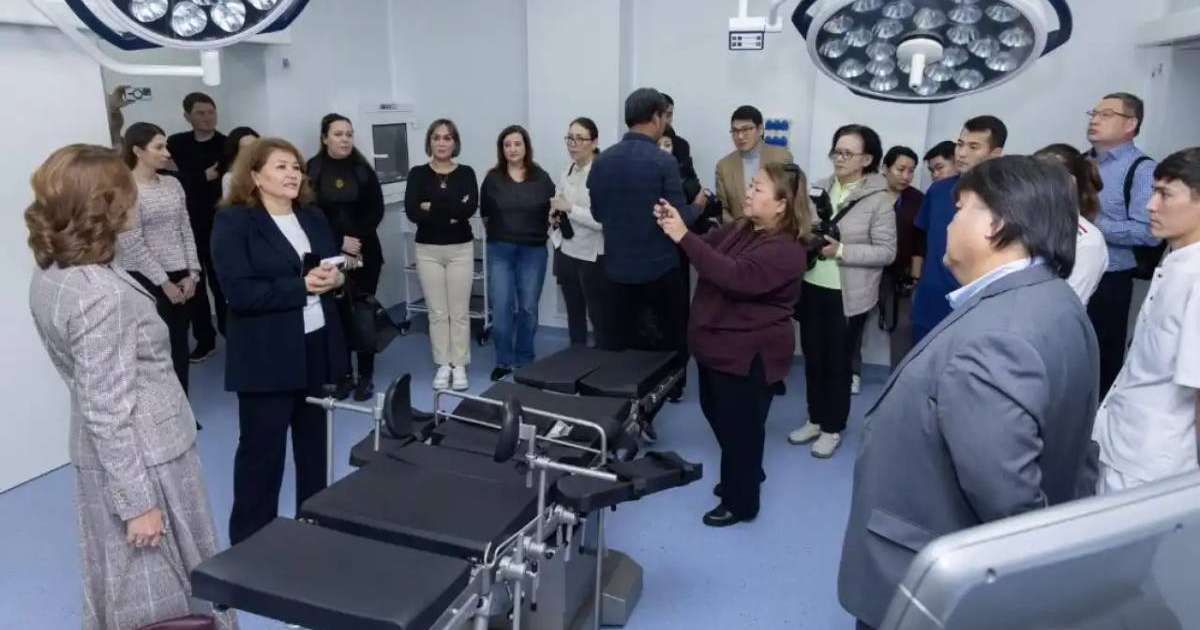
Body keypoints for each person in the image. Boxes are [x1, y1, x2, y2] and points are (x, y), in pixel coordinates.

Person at [838, 156, 1100, 630]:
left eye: (960, 209)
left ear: (996, 224)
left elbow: (1008, 498)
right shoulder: (1055, 301)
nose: (948, 223)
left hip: (934, 583)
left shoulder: (996, 336)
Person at [26, 144, 236, 630]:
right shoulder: (101, 295)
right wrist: (138, 504)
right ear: (106, 204)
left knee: (128, 588)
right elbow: (106, 407)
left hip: (113, 455)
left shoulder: (57, 274)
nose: (136, 202)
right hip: (146, 459)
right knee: (161, 596)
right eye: (127, 193)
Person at [211, 137, 348, 544]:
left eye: (296, 167)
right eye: (281, 167)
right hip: (266, 354)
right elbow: (240, 293)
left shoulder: (312, 216)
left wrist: (337, 280)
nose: (292, 174)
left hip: (316, 346)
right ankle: (253, 546)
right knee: (261, 454)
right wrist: (302, 287)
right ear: (254, 176)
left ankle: (314, 528)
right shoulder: (234, 222)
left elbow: (331, 267)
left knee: (315, 448)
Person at [656, 162, 808, 527]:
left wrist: (682, 236)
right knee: (718, 415)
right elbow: (707, 249)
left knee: (742, 429)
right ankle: (747, 470)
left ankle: (742, 502)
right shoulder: (744, 226)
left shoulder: (787, 249)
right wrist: (678, 224)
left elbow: (735, 276)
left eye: (757, 188)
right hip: (717, 349)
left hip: (748, 355)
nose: (748, 193)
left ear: (782, 204)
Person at [587, 88, 699, 436]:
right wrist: (702, 206)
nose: (667, 123)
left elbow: (598, 212)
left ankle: (615, 416)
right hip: (658, 271)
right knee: (664, 348)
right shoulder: (663, 161)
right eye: (666, 116)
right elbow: (678, 219)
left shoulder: (602, 160)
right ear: (655, 117)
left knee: (619, 349)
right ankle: (647, 413)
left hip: (616, 270)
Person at [1093, 147, 1200, 493]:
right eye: (1153, 191)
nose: (1150, 206)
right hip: (1125, 442)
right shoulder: (1176, 260)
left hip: (1155, 464)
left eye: (1165, 194)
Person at [787, 124, 896, 459]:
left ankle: (833, 427)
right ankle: (816, 418)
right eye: (837, 150)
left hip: (848, 296)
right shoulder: (818, 187)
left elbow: (887, 252)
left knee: (838, 365)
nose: (840, 158)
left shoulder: (879, 200)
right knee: (813, 358)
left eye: (848, 153)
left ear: (866, 159)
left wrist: (843, 251)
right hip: (812, 286)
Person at [117, 122, 201, 396]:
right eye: (159, 147)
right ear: (138, 151)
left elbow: (185, 228)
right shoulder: (126, 188)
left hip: (181, 274)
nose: (167, 153)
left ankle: (183, 408)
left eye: (166, 146)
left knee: (179, 345)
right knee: (156, 349)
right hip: (147, 278)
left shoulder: (173, 183)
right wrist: (164, 282)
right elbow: (131, 242)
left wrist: (193, 273)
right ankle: (165, 412)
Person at [1086, 92, 1161, 397]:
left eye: (1106, 114)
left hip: (1110, 280)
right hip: (1070, 270)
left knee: (1101, 358)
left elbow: (1149, 232)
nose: (1094, 120)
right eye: (1093, 112)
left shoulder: (1142, 170)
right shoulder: (1082, 161)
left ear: (1130, 124)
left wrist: (1087, 224)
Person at [308, 113, 386, 401]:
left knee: (363, 313)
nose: (345, 139)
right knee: (336, 316)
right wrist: (340, 243)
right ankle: (341, 375)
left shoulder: (363, 169)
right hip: (329, 254)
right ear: (324, 138)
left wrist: (355, 243)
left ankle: (366, 376)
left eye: (349, 134)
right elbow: (310, 215)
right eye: (338, 134)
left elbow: (375, 210)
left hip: (365, 252)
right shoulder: (312, 170)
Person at [911, 115, 1007, 345]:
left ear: (995, 154)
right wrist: (917, 281)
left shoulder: (1005, 198)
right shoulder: (939, 190)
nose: (962, 153)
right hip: (929, 299)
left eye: (973, 146)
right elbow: (922, 239)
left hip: (971, 304)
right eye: (960, 144)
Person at [405, 119, 478, 391]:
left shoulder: (466, 173)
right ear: (430, 142)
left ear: (454, 142)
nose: (442, 142)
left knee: (458, 311)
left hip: (460, 248)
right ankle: (443, 364)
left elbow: (468, 209)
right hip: (427, 250)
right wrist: (449, 210)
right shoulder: (417, 174)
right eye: (436, 137)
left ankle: (459, 365)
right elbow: (413, 212)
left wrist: (431, 207)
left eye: (447, 138)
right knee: (437, 312)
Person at [480, 125, 555, 381]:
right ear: (502, 149)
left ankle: (524, 358)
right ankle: (503, 359)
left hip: (533, 252)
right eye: (507, 144)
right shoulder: (492, 179)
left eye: (517, 144)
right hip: (500, 250)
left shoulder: (541, 178)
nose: (512, 149)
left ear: (526, 147)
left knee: (528, 308)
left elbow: (553, 211)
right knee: (501, 306)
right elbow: (486, 215)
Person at [167, 92, 226, 361]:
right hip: (186, 227)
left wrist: (187, 177)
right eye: (200, 113)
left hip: (219, 228)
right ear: (187, 116)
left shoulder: (226, 146)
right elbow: (169, 178)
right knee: (195, 289)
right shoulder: (176, 143)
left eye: (210, 112)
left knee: (223, 284)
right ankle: (205, 340)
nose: (207, 118)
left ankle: (231, 336)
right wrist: (202, 176)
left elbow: (227, 184)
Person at [551, 117, 606, 347]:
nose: (573, 143)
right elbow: (560, 203)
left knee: (599, 316)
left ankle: (602, 366)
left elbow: (602, 221)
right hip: (566, 249)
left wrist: (570, 209)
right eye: (569, 138)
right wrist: (554, 215)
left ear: (594, 142)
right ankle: (575, 362)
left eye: (579, 138)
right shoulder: (567, 170)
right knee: (574, 314)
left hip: (592, 256)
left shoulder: (602, 173)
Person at [1035, 143, 1110, 304]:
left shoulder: (1087, 241)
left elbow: (1066, 304)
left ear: (1069, 183)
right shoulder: (1026, 223)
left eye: (1040, 178)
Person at [878, 146, 925, 371]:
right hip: (867, 268)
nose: (906, 176)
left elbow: (919, 242)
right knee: (853, 322)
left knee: (903, 326)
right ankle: (852, 373)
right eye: (901, 169)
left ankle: (899, 374)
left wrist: (914, 277)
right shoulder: (869, 194)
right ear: (885, 168)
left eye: (911, 171)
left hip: (900, 274)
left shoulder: (917, 199)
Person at [714, 105, 794, 222]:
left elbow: (790, 202)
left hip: (774, 233)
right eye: (735, 131)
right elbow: (722, 209)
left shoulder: (781, 158)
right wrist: (738, 231)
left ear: (760, 129)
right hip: (739, 234)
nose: (740, 136)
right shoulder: (724, 166)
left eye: (746, 130)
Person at [220, 126, 260, 200]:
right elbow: (230, 208)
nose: (251, 151)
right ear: (236, 152)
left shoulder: (268, 171)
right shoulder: (230, 178)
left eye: (254, 146)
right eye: (245, 148)